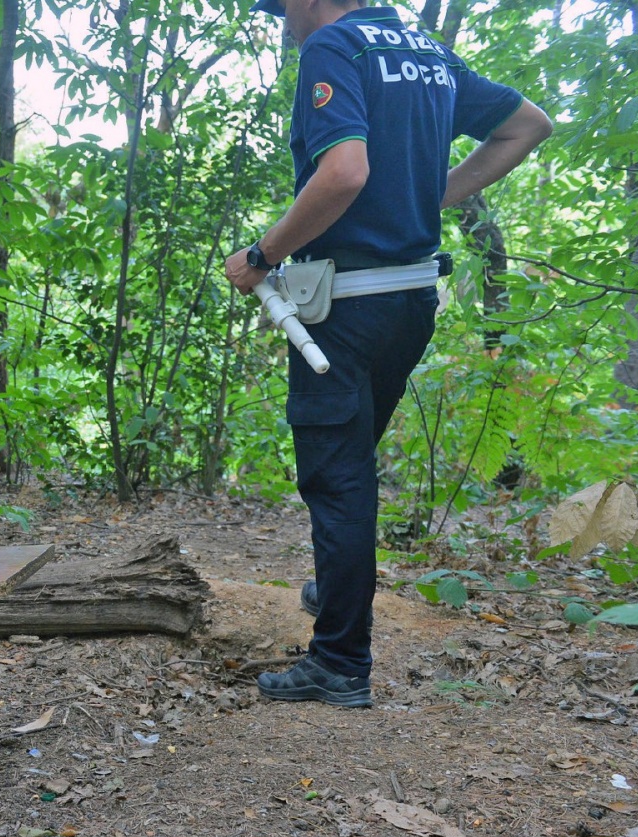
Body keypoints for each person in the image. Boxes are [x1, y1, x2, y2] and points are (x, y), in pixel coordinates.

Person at [225, 0, 551, 706]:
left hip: (346, 305)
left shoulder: (335, 47)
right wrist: (434, 195)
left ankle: (340, 662)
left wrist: (262, 254)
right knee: (351, 457)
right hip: (410, 302)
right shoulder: (423, 50)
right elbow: (529, 124)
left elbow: (344, 172)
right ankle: (337, 591)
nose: (284, 24)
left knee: (337, 477)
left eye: (283, 9)